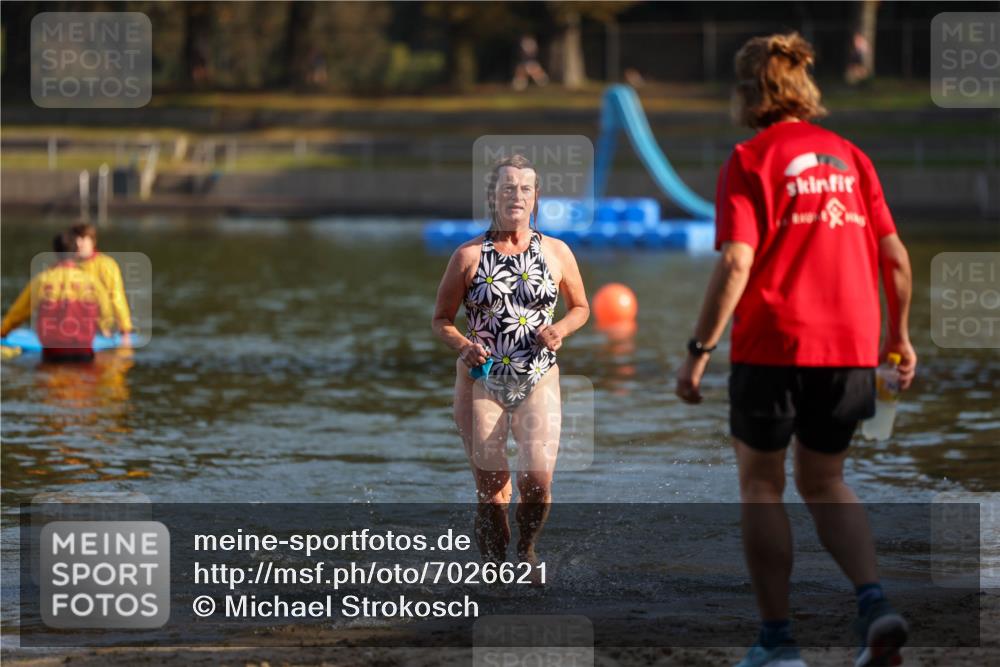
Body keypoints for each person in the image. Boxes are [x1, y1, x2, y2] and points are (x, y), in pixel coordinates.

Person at [675, 33, 915, 667]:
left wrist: (698, 351)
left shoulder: (750, 158)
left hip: (775, 344)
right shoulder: (852, 157)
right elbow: (894, 258)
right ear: (804, 88)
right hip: (852, 348)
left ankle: (778, 643)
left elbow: (736, 263)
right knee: (828, 480)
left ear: (749, 93)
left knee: (761, 487)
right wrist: (898, 339)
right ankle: (874, 605)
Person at [432, 155, 589, 566]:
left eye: (524, 188)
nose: (516, 195)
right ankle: (497, 569)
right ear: (492, 197)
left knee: (537, 481)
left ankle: (526, 550)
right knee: (493, 487)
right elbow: (440, 319)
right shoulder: (467, 256)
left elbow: (582, 308)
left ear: (535, 197)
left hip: (538, 377)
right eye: (507, 188)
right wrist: (462, 344)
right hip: (482, 378)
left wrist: (562, 329)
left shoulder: (557, 252)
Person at [1, 232, 113, 362]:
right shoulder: (93, 282)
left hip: (53, 353)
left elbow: (18, 313)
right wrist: (104, 328)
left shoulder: (42, 280)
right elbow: (106, 312)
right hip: (84, 351)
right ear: (76, 252)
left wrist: (3, 331)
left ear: (55, 252)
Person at [70, 223, 134, 345]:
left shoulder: (106, 265)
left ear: (93, 241)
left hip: (102, 329)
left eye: (83, 239)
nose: (78, 243)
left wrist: (125, 330)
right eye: (75, 239)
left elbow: (117, 297)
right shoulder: (68, 266)